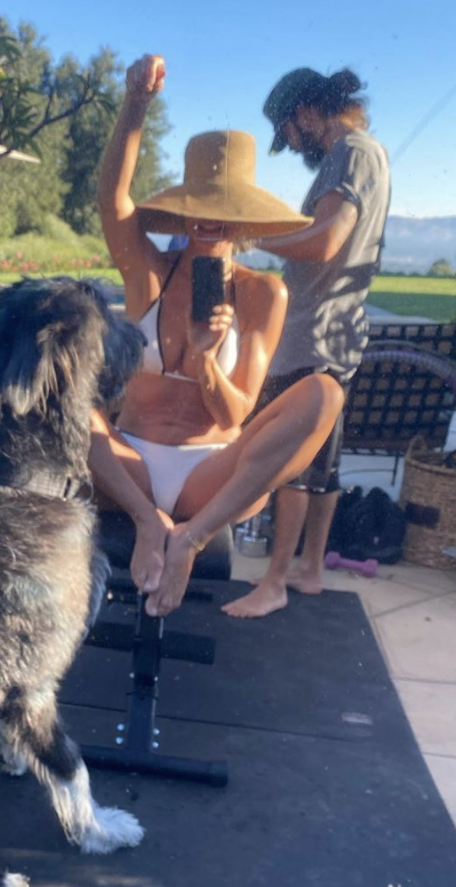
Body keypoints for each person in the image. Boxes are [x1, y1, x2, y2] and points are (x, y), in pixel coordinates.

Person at [90, 54, 344, 616]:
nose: (210, 219)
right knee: (66, 403)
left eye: (223, 207)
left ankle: (190, 537)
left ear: (244, 218)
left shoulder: (262, 295)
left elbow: (233, 417)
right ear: (184, 211)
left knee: (325, 393)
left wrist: (206, 362)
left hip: (211, 476)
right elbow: (113, 200)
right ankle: (148, 523)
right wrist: (134, 105)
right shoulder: (149, 272)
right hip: (127, 464)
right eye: (200, 205)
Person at [223, 67, 391, 618]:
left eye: (289, 134)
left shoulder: (352, 154)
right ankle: (310, 570)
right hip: (333, 333)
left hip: (314, 335)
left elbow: (326, 242)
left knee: (291, 465)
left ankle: (272, 581)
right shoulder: (367, 153)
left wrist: (252, 234)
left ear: (306, 114)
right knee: (324, 465)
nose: (292, 146)